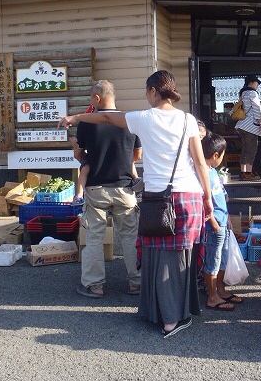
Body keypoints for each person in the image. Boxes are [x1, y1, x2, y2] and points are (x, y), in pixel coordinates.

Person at [58, 70, 212, 338]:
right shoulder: (188, 120)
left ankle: (160, 315)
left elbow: (105, 116)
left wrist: (75, 117)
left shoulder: (142, 118)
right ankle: (169, 308)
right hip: (186, 195)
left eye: (146, 91)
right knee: (180, 257)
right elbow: (200, 162)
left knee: (154, 255)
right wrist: (208, 196)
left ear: (153, 91)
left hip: (154, 198)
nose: (145, 95)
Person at [72, 80, 142, 299]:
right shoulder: (130, 121)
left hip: (96, 189)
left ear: (97, 98)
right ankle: (136, 283)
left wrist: (78, 154)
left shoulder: (86, 123)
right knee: (130, 238)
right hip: (124, 189)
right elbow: (136, 156)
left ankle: (95, 286)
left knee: (94, 237)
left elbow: (83, 156)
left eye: (91, 98)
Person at [201, 133, 243, 311]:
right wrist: (215, 224)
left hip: (222, 222)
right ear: (216, 155)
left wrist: (227, 221)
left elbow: (222, 197)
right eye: (223, 155)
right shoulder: (202, 172)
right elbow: (203, 202)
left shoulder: (212, 171)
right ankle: (212, 296)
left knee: (223, 259)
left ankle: (220, 290)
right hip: (214, 225)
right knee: (213, 259)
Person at [234, 75, 261, 181]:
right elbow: (257, 107)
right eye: (257, 83)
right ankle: (248, 173)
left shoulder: (243, 93)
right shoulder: (252, 93)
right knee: (251, 151)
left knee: (245, 150)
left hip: (241, 125)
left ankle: (243, 172)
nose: (257, 86)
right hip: (250, 127)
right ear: (251, 83)